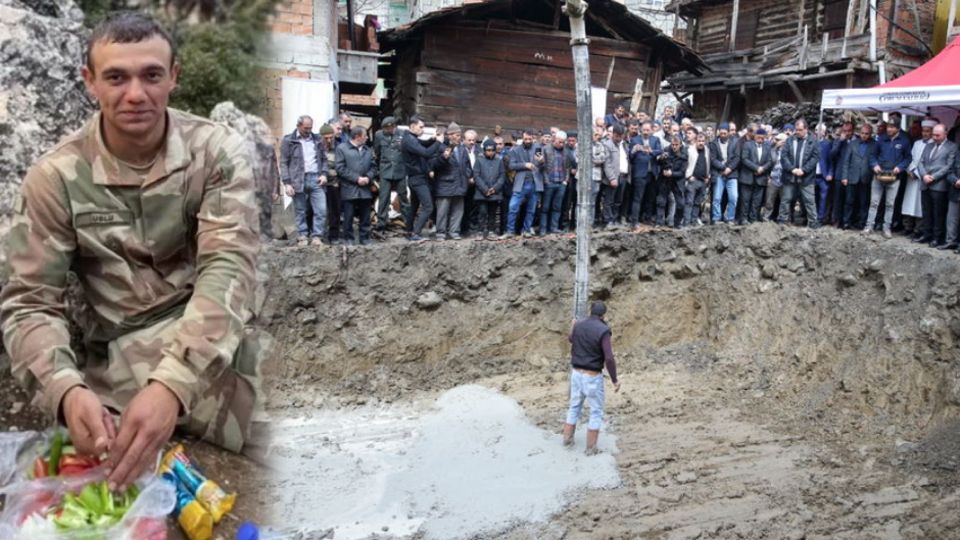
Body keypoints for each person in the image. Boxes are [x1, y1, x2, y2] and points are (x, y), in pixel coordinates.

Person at [1, 12, 269, 491]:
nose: (135, 94)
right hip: (121, 359)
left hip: (212, 336)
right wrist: (64, 391)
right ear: (90, 82)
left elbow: (227, 269)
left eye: (151, 75)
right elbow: (28, 303)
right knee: (106, 477)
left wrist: (173, 384)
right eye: (116, 77)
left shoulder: (215, 152)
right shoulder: (56, 177)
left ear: (174, 78)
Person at [562, 302, 620, 455]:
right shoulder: (604, 330)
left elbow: (571, 340)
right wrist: (614, 379)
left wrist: (573, 326)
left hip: (576, 373)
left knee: (574, 406)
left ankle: (567, 439)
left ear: (590, 311)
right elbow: (608, 357)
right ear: (603, 315)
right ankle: (591, 448)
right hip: (592, 376)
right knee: (596, 411)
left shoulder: (579, 325)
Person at [280, 115, 328, 246]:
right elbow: (284, 163)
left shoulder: (317, 139)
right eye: (306, 128)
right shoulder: (289, 141)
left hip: (315, 178)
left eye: (310, 127)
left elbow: (324, 159)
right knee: (300, 210)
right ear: (298, 126)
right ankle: (302, 236)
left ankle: (317, 236)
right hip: (297, 179)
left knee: (321, 209)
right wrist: (287, 183)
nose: (308, 130)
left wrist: (324, 174)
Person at [867, 120, 912, 237]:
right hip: (879, 174)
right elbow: (872, 156)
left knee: (890, 204)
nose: (889, 129)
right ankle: (869, 226)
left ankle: (886, 228)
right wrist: (875, 165)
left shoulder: (904, 141)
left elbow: (908, 158)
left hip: (894, 176)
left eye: (892, 127)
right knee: (874, 202)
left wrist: (900, 168)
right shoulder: (880, 140)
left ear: (898, 128)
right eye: (888, 127)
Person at [915, 124, 958, 247]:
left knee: (938, 213)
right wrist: (923, 175)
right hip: (925, 183)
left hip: (939, 184)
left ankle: (936, 237)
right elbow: (921, 162)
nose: (934, 137)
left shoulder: (952, 147)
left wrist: (934, 177)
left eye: (937, 135)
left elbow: (949, 166)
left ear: (945, 134)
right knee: (926, 210)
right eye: (933, 134)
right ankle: (926, 234)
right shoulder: (929, 146)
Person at [402, 117, 442, 242]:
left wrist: (432, 139)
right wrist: (438, 142)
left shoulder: (411, 138)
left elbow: (423, 144)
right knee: (428, 206)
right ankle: (416, 233)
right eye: (420, 127)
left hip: (415, 178)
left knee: (414, 206)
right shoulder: (409, 140)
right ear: (412, 126)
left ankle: (409, 231)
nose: (423, 129)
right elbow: (425, 152)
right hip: (418, 178)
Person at [335, 126, 377, 245]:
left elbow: (374, 167)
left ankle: (364, 238)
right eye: (365, 135)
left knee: (365, 216)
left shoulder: (368, 150)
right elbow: (340, 168)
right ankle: (348, 238)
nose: (367, 138)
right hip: (349, 188)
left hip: (365, 188)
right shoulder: (342, 149)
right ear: (357, 137)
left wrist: (368, 177)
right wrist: (356, 178)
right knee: (348, 216)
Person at [503, 128, 545, 238]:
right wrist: (524, 165)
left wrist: (541, 162)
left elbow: (543, 168)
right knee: (512, 207)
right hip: (521, 183)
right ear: (522, 138)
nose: (527, 141)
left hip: (535, 183)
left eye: (529, 139)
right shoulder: (516, 150)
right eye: (525, 139)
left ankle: (527, 230)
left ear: (533, 138)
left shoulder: (538, 148)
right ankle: (510, 231)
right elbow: (511, 166)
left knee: (531, 209)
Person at [779, 119, 820, 228]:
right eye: (796, 130)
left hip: (806, 177)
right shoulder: (789, 140)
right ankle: (782, 220)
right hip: (790, 176)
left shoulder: (813, 141)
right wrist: (792, 169)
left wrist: (804, 170)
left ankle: (813, 222)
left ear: (806, 129)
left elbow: (814, 158)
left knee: (809, 200)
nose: (797, 132)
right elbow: (784, 156)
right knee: (786, 199)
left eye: (800, 130)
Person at [372, 116, 409, 233]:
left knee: (403, 197)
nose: (387, 130)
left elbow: (406, 151)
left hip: (400, 170)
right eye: (385, 129)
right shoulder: (379, 135)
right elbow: (377, 152)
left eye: (390, 128)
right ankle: (381, 222)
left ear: (394, 126)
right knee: (384, 197)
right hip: (385, 170)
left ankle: (408, 222)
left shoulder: (403, 134)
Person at [432, 123, 468, 241]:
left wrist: (467, 175)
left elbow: (467, 164)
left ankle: (454, 231)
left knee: (458, 210)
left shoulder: (462, 148)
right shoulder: (440, 146)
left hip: (460, 183)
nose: (459, 137)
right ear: (450, 135)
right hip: (445, 183)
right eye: (457, 135)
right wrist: (443, 157)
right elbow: (434, 164)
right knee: (442, 210)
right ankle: (441, 233)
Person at [838, 125, 876, 231]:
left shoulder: (874, 144)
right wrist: (844, 176)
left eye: (867, 134)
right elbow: (846, 161)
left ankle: (862, 222)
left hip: (866, 177)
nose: (864, 135)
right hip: (852, 177)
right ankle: (846, 222)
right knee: (849, 201)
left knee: (864, 202)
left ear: (871, 134)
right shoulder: (853, 144)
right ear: (860, 133)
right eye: (862, 133)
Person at [902, 120, 936, 236]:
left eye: (927, 131)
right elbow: (910, 158)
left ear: (932, 132)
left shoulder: (934, 144)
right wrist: (911, 170)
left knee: (919, 205)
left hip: (923, 178)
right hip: (911, 178)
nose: (925, 133)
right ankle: (908, 226)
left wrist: (918, 173)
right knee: (909, 203)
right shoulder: (917, 143)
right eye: (923, 131)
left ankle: (918, 229)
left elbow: (931, 164)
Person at [540, 130, 576, 235]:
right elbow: (543, 168)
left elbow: (568, 167)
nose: (562, 144)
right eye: (560, 142)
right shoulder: (546, 149)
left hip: (561, 183)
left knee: (557, 207)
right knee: (545, 207)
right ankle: (543, 229)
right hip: (549, 182)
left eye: (563, 142)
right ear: (554, 139)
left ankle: (554, 228)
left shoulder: (566, 151)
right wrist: (546, 181)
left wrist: (566, 180)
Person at [628, 121, 662, 229]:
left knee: (650, 197)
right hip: (639, 173)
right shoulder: (635, 140)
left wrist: (651, 151)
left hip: (652, 173)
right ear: (640, 130)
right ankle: (634, 221)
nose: (646, 132)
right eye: (644, 130)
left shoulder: (655, 140)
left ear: (651, 130)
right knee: (638, 197)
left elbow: (660, 151)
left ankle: (647, 218)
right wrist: (634, 150)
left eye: (648, 130)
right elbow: (630, 157)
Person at [472, 139, 508, 240]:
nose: (490, 152)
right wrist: (484, 189)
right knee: (482, 212)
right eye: (488, 151)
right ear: (484, 150)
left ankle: (491, 231)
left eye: (492, 150)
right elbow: (476, 175)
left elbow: (502, 176)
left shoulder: (499, 161)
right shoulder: (479, 160)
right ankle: (480, 231)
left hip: (494, 193)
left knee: (492, 212)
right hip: (482, 193)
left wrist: (495, 188)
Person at [739, 128, 773, 224]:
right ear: (755, 136)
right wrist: (756, 168)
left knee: (756, 201)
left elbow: (770, 161)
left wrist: (762, 169)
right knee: (745, 200)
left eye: (762, 137)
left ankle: (753, 219)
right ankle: (744, 219)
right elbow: (744, 159)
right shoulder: (747, 145)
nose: (760, 139)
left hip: (761, 178)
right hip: (747, 177)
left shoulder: (767, 147)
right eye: (758, 137)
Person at [709, 122, 740, 224]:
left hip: (732, 174)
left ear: (728, 133)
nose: (722, 135)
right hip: (719, 174)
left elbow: (737, 158)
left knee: (733, 197)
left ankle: (730, 218)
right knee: (717, 198)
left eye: (724, 133)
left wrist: (729, 169)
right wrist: (723, 167)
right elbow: (713, 159)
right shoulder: (714, 143)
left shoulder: (735, 142)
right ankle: (716, 218)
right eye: (721, 133)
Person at [600, 125, 629, 230]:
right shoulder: (608, 145)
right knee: (609, 200)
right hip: (613, 177)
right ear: (612, 134)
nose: (618, 138)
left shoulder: (625, 145)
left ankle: (615, 219)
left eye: (620, 136)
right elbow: (606, 163)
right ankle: (608, 221)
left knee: (618, 200)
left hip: (623, 176)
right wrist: (612, 178)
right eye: (616, 136)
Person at [657, 136, 688, 227]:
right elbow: (659, 163)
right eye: (673, 144)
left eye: (676, 145)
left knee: (680, 204)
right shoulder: (667, 150)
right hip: (665, 179)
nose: (674, 147)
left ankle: (677, 223)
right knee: (661, 201)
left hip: (677, 181)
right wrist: (661, 158)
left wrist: (672, 173)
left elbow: (682, 172)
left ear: (680, 144)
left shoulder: (684, 154)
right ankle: (659, 222)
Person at [320, 125, 343, 244]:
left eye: (331, 138)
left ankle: (334, 236)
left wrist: (337, 182)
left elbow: (341, 166)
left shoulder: (338, 149)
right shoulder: (316, 148)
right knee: (319, 211)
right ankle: (318, 235)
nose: (329, 140)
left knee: (335, 211)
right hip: (319, 184)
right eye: (326, 138)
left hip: (334, 183)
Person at [685, 133, 711, 226]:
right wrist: (688, 176)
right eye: (699, 141)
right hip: (693, 180)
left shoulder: (707, 151)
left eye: (703, 141)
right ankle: (687, 221)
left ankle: (694, 220)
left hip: (703, 180)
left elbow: (709, 164)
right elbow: (686, 164)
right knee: (689, 202)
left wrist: (708, 176)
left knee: (697, 203)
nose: (701, 143)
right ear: (696, 141)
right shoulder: (690, 151)